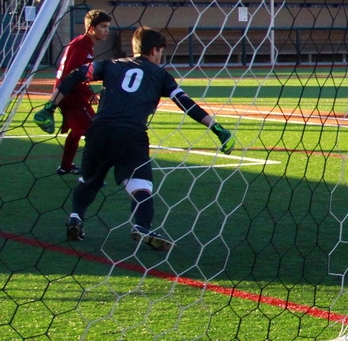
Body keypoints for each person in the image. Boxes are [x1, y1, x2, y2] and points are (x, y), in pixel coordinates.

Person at [33, 27, 235, 250]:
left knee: (90, 180)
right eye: (161, 52)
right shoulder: (160, 75)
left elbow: (76, 74)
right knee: (141, 186)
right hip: (131, 135)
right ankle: (141, 226)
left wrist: (50, 107)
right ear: (155, 50)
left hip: (99, 131)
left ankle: (75, 218)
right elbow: (185, 103)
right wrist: (216, 128)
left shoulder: (111, 64)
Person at [52, 9, 112, 175]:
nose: (107, 30)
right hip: (71, 96)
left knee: (77, 131)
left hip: (68, 94)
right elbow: (71, 75)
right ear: (91, 28)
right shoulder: (81, 44)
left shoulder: (84, 43)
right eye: (103, 26)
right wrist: (88, 93)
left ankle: (65, 166)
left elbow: (77, 73)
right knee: (94, 132)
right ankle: (90, 174)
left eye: (108, 26)